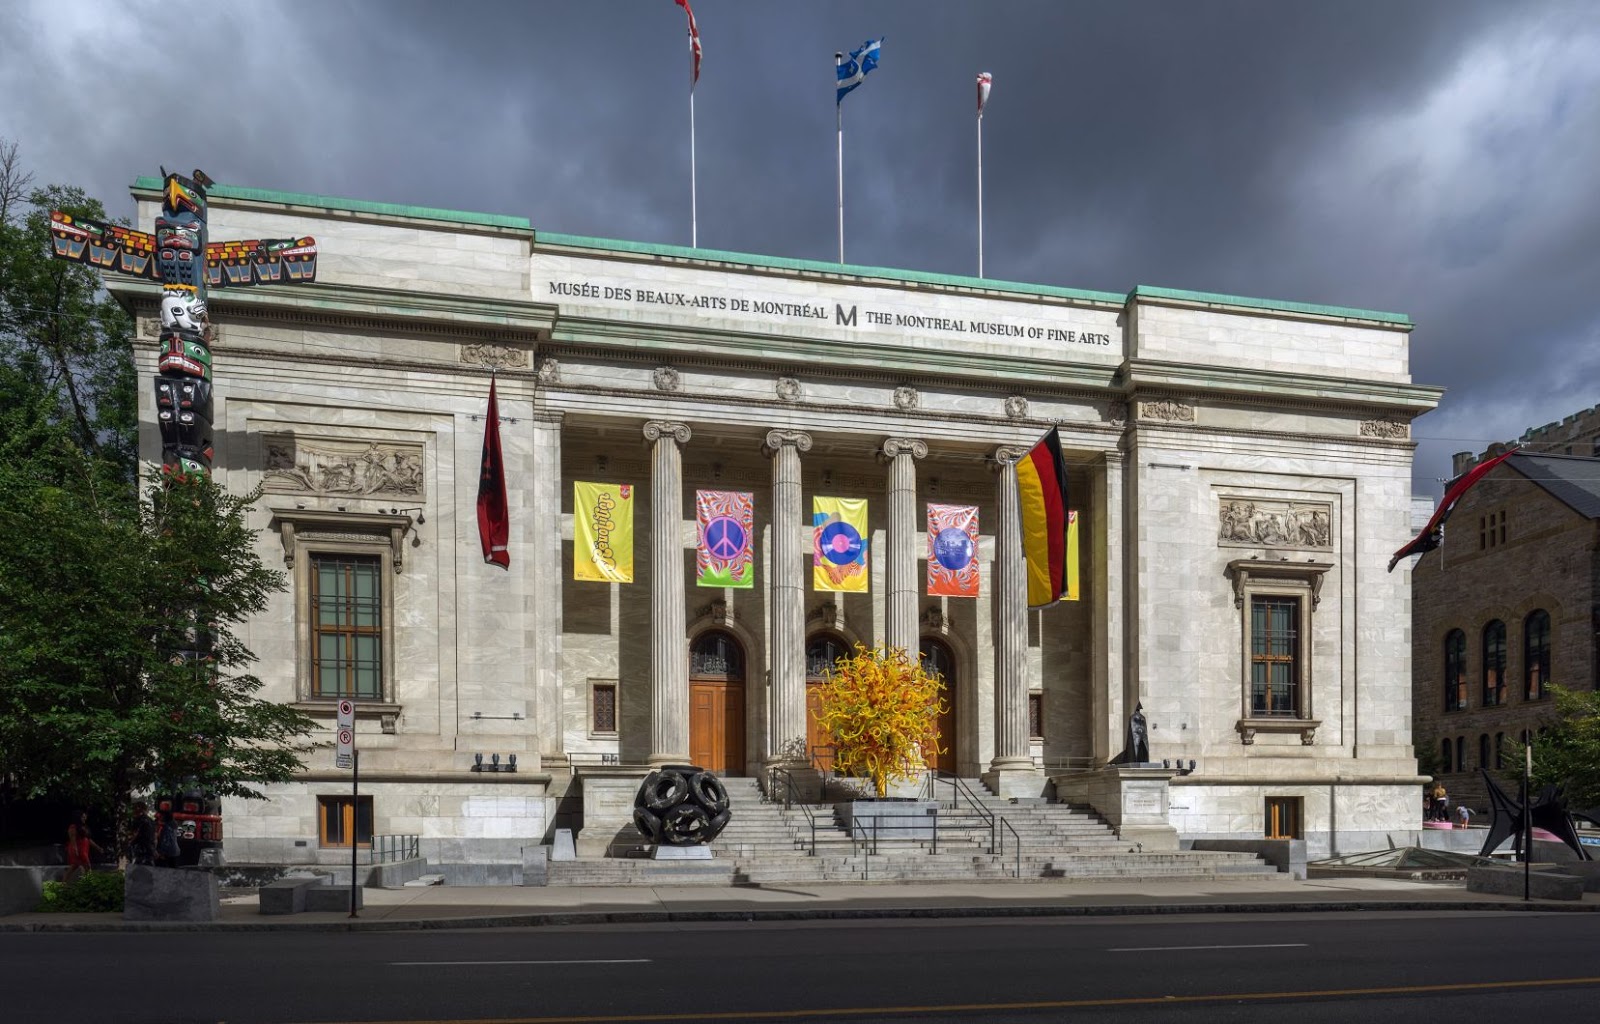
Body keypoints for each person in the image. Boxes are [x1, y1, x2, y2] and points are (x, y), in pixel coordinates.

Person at [126, 801, 155, 866]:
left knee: (138, 867)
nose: (133, 810)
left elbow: (134, 834)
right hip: (149, 847)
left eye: (134, 808)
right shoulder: (151, 820)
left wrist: (128, 842)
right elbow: (155, 835)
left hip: (139, 848)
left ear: (139, 809)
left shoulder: (138, 820)